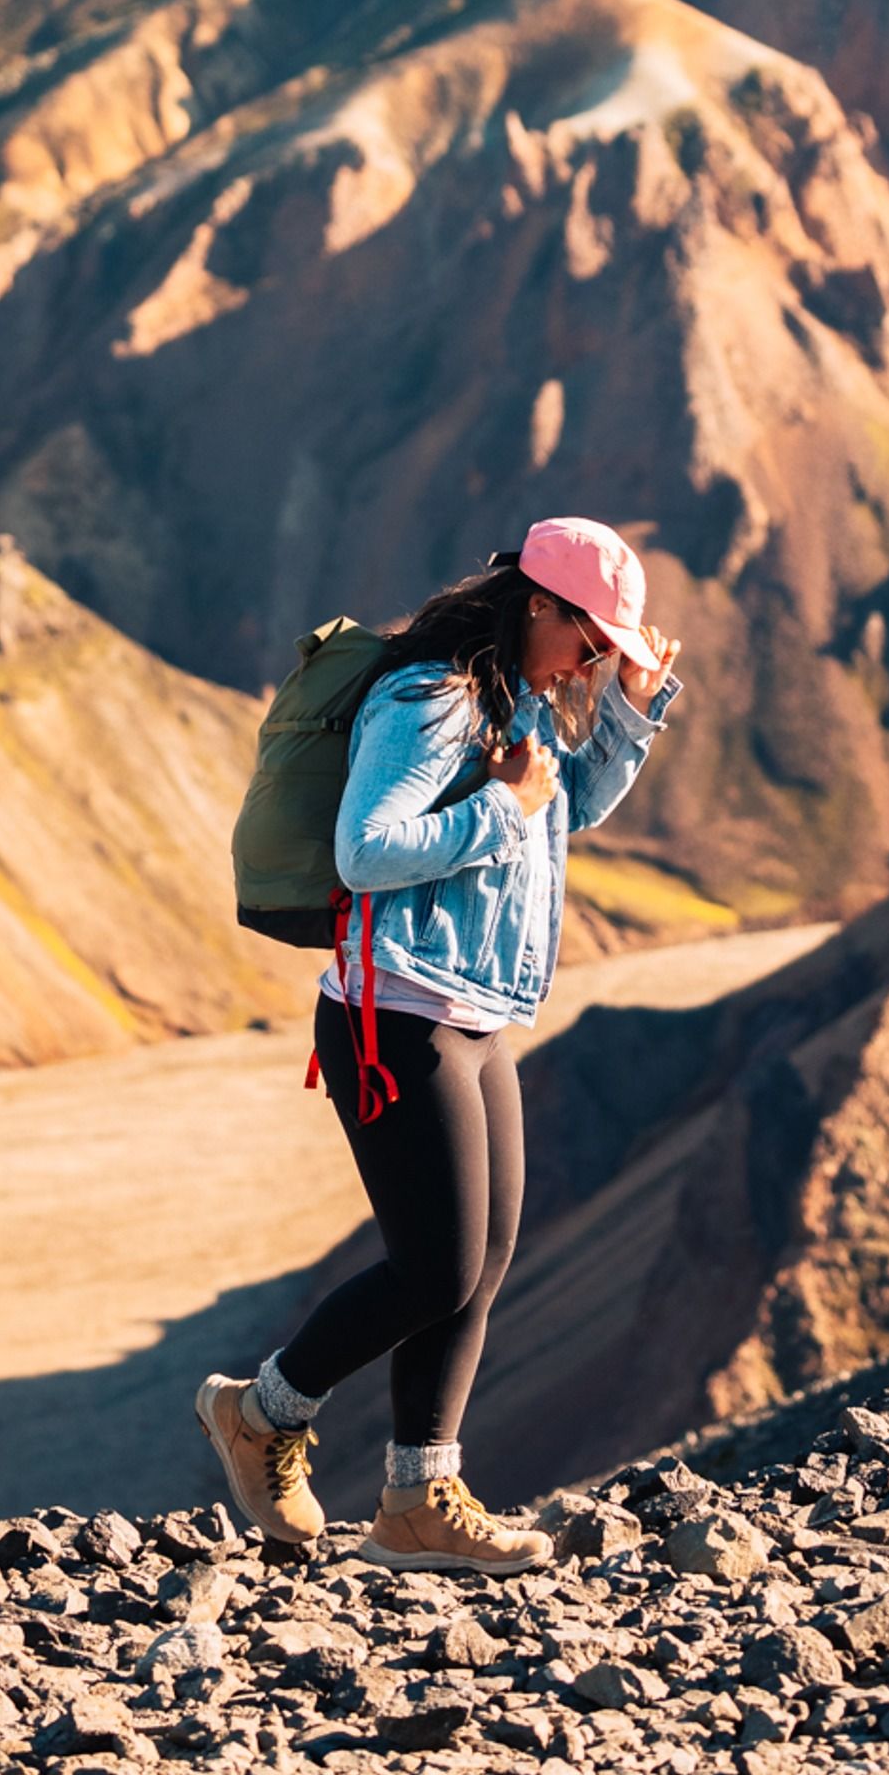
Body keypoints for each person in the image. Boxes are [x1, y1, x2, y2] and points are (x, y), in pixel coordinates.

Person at [196, 515, 682, 1573]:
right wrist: (503, 808)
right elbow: (365, 849)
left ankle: (417, 1499)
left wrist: (627, 720)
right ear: (533, 606)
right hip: (394, 1013)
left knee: (481, 1262)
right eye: (590, 639)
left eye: (608, 649)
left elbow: (568, 810)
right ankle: (260, 1410)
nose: (593, 660)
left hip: (473, 1010)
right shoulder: (432, 696)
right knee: (435, 1264)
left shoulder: (521, 701)